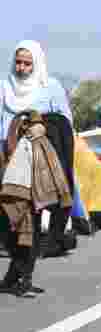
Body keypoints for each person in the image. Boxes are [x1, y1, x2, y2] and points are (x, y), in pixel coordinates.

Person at [0, 41, 76, 260]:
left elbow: (65, 121)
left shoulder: (50, 87)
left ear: (37, 64)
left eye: (27, 63)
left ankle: (46, 243)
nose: (21, 68)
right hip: (9, 152)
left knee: (39, 199)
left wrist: (44, 126)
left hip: (40, 157)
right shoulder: (4, 87)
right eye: (18, 62)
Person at [1, 110, 72, 297]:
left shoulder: (43, 136)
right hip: (18, 173)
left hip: (27, 174)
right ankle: (19, 278)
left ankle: (21, 278)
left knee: (28, 224)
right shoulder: (32, 138)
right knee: (23, 225)